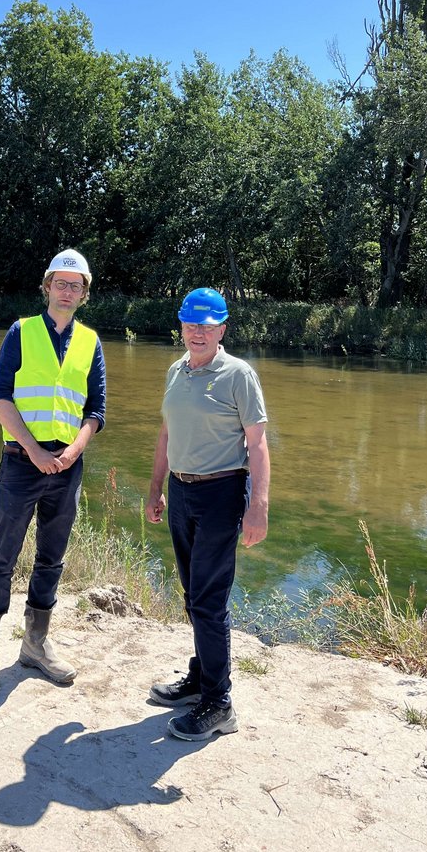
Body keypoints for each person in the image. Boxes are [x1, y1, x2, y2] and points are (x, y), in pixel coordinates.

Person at [0, 249, 106, 696]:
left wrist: (72, 452)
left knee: (52, 557)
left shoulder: (90, 341)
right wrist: (31, 448)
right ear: (47, 287)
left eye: (76, 285)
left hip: (67, 467)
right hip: (20, 462)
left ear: (84, 293)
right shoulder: (21, 332)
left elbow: (95, 410)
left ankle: (35, 645)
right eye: (60, 283)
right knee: (2, 558)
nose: (68, 291)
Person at [145, 287, 269, 741]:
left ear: (222, 329)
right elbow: (165, 434)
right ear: (181, 326)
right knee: (191, 591)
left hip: (222, 493)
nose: (197, 332)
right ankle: (201, 676)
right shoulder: (176, 371)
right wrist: (156, 486)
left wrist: (258, 506)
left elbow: (256, 445)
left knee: (208, 600)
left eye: (207, 325)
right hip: (181, 491)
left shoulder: (239, 375)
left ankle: (219, 703)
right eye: (190, 324)